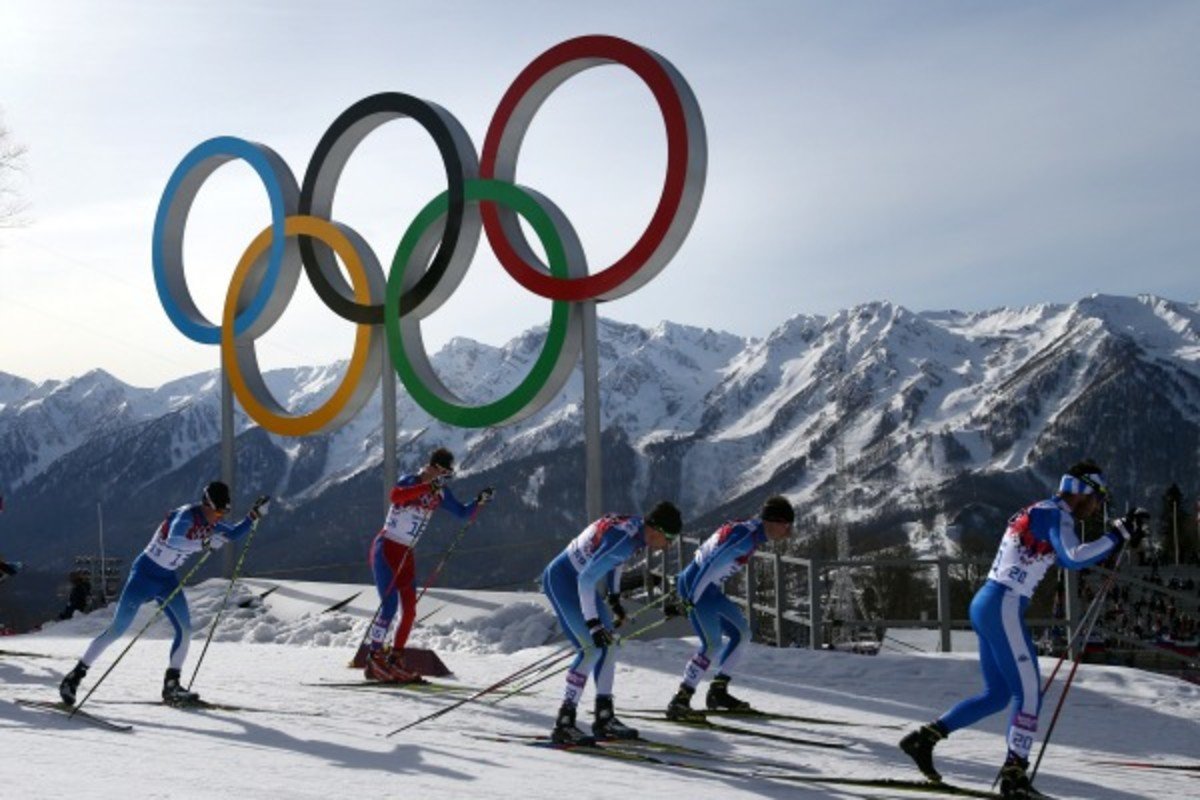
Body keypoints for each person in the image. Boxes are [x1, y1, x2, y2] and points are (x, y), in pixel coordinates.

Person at [898, 461, 1148, 799]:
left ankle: (925, 737)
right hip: (1004, 604)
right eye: (1098, 498)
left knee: (998, 695)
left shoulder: (1044, 511)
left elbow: (1066, 555)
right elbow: (1074, 557)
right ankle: (1014, 776)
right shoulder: (1056, 514)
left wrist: (1119, 538)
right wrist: (1118, 534)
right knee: (1029, 693)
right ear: (1084, 490)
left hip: (989, 601)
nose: (1098, 507)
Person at [58, 482, 268, 706]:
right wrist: (205, 543)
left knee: (185, 630)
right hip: (143, 576)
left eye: (223, 512)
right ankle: (74, 678)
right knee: (117, 630)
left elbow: (233, 533)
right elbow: (174, 540)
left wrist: (253, 516)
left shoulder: (211, 521)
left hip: (167, 580)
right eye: (217, 511)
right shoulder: (186, 515)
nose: (219, 517)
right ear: (206, 504)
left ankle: (172, 686)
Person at [543, 500, 683, 744]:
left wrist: (615, 598)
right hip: (564, 581)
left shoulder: (637, 531)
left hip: (578, 582)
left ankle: (604, 717)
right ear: (656, 530)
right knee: (591, 648)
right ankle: (564, 722)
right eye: (668, 538)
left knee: (608, 646)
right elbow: (586, 580)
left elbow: (615, 562)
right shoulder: (625, 539)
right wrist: (594, 624)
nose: (668, 546)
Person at [363, 447, 493, 683]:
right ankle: (374, 659)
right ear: (432, 467)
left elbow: (462, 513)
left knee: (410, 611)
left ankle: (395, 658)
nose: (443, 480)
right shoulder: (411, 481)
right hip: (387, 548)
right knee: (390, 606)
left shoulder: (441, 493)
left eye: (447, 476)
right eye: (441, 474)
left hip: (406, 553)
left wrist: (479, 501)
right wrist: (427, 487)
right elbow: (396, 496)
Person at [663, 495, 795, 721]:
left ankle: (718, 691)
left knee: (742, 633)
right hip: (697, 586)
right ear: (774, 522)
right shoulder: (743, 538)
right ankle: (680, 699)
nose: (789, 532)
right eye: (787, 526)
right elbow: (709, 566)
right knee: (712, 643)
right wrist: (689, 598)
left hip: (708, 588)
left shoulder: (752, 532)